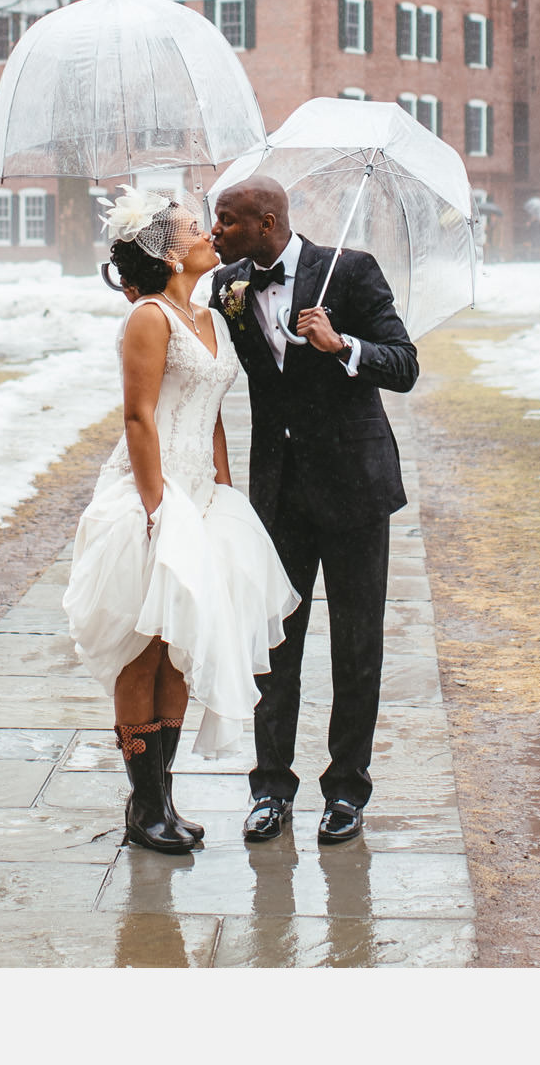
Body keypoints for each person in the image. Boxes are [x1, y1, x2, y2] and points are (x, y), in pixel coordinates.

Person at [63, 189, 297, 855]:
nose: (209, 234)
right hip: (152, 495)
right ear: (168, 250)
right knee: (142, 646)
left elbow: (213, 408)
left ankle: (161, 798)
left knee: (177, 647)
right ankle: (145, 803)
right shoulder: (149, 318)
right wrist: (155, 503)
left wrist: (221, 486)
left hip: (201, 495)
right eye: (198, 227)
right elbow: (139, 416)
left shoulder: (209, 317)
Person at [209, 176, 420, 847]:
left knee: (358, 648)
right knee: (275, 647)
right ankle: (270, 788)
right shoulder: (229, 284)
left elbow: (405, 363)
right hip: (279, 494)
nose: (217, 232)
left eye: (227, 221)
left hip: (357, 490)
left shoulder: (350, 272)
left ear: (267, 221)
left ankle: (346, 792)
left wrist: (344, 348)